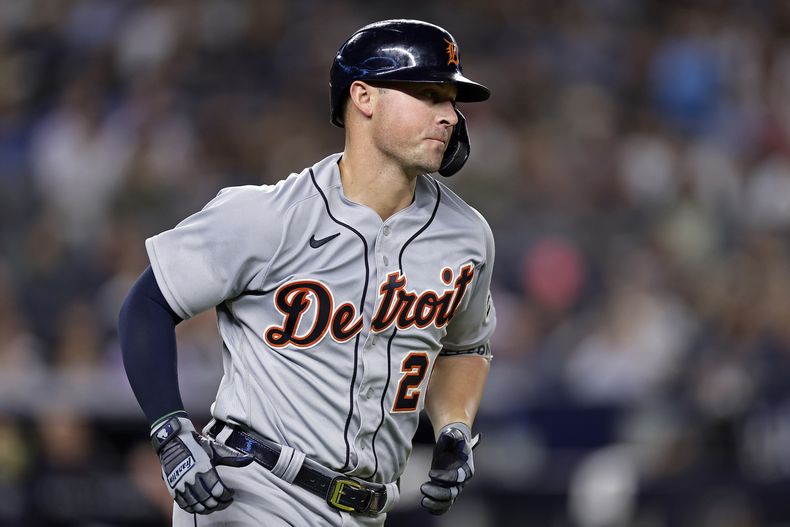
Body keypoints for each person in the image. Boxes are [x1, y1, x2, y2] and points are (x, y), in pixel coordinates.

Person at [118, 19, 496, 526]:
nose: (450, 115)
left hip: (368, 508)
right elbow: (146, 305)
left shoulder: (467, 236)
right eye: (429, 94)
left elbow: (464, 347)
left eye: (452, 100)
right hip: (254, 491)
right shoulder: (268, 217)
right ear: (364, 97)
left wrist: (453, 426)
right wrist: (169, 429)